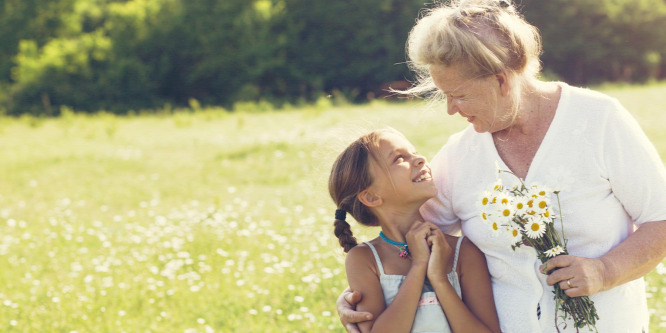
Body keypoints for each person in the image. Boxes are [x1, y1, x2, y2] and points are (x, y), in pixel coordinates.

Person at [337, 0, 666, 332]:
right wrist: (359, 296)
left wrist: (605, 271)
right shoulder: (459, 156)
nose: (451, 109)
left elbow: (661, 218)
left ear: (502, 81)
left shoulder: (599, 119)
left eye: (459, 95)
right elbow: (405, 237)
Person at [329, 128, 501, 332]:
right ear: (371, 197)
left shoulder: (462, 252)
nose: (419, 158)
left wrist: (439, 279)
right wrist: (419, 266)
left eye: (414, 151)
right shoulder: (364, 259)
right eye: (399, 158)